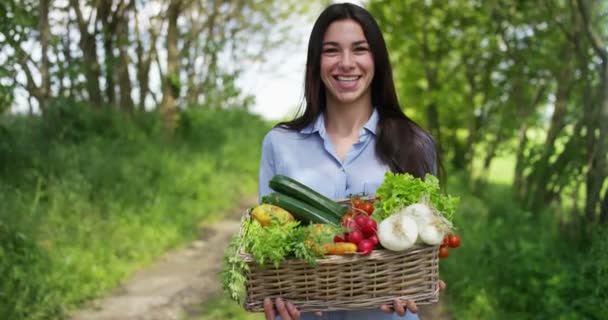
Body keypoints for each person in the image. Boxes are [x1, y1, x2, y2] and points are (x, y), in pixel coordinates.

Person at [257, 3, 445, 320]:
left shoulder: (415, 143)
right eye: (332, 51)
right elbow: (267, 241)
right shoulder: (279, 143)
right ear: (316, 62)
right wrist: (274, 294)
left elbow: (427, 241)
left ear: (377, 61)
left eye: (360, 49)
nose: (346, 63)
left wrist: (416, 283)